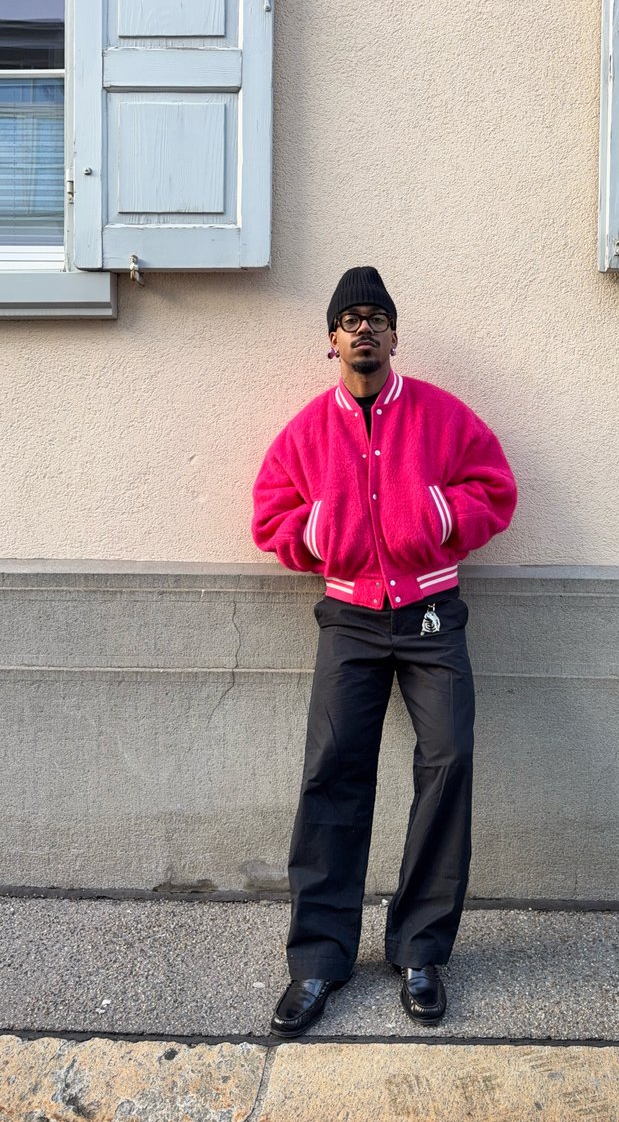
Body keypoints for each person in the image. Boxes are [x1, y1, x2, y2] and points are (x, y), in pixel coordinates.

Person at [252, 266, 517, 1037]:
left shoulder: (440, 415)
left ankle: (421, 949)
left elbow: (495, 487)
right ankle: (319, 959)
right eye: (349, 318)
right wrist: (320, 531)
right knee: (332, 774)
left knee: (448, 763)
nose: (364, 328)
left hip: (432, 611)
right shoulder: (307, 429)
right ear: (330, 341)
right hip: (350, 617)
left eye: (377, 316)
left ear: (395, 336)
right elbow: (269, 513)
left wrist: (436, 512)